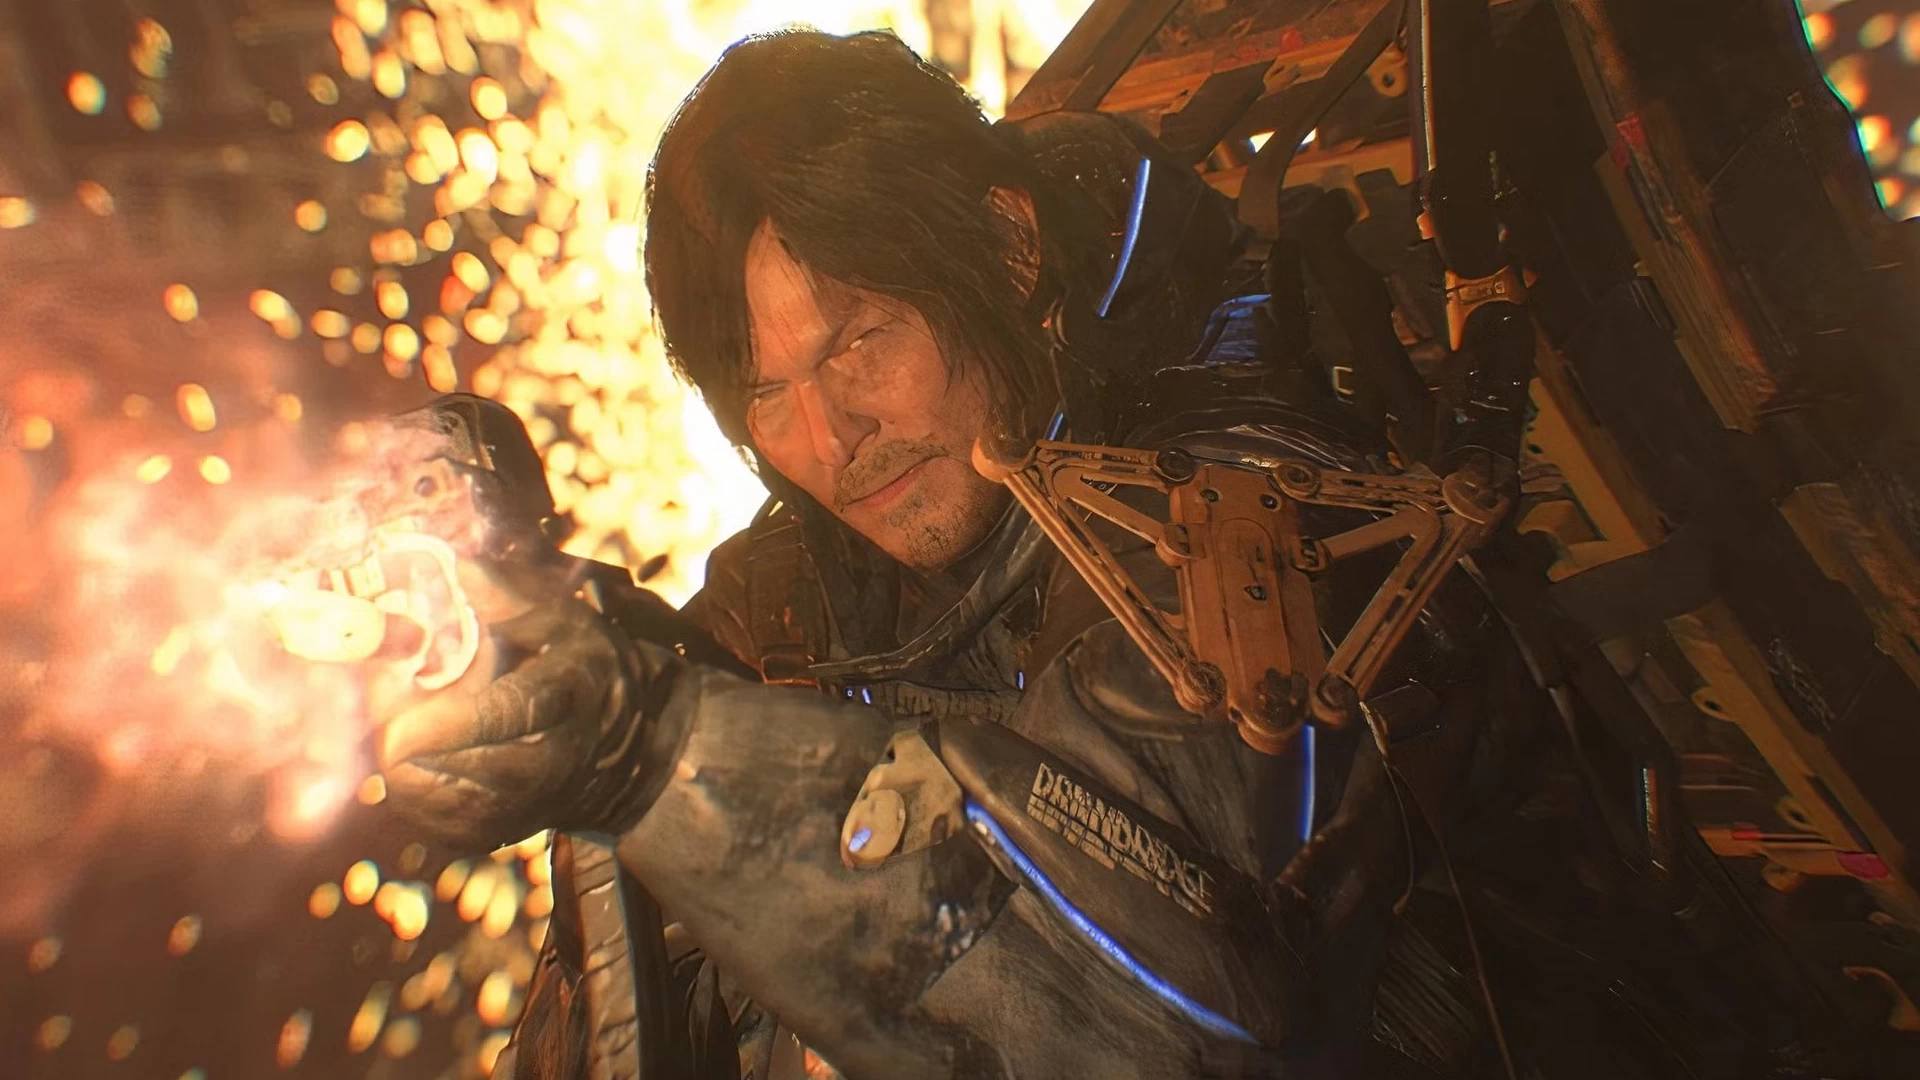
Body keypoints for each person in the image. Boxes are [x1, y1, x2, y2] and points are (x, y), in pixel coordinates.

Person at [375, 28, 1819, 1080]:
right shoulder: (790, 599)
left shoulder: (1254, 493)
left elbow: (1154, 1023)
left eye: (863, 338)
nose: (831, 436)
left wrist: (661, 759)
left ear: (1008, 255)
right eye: (769, 391)